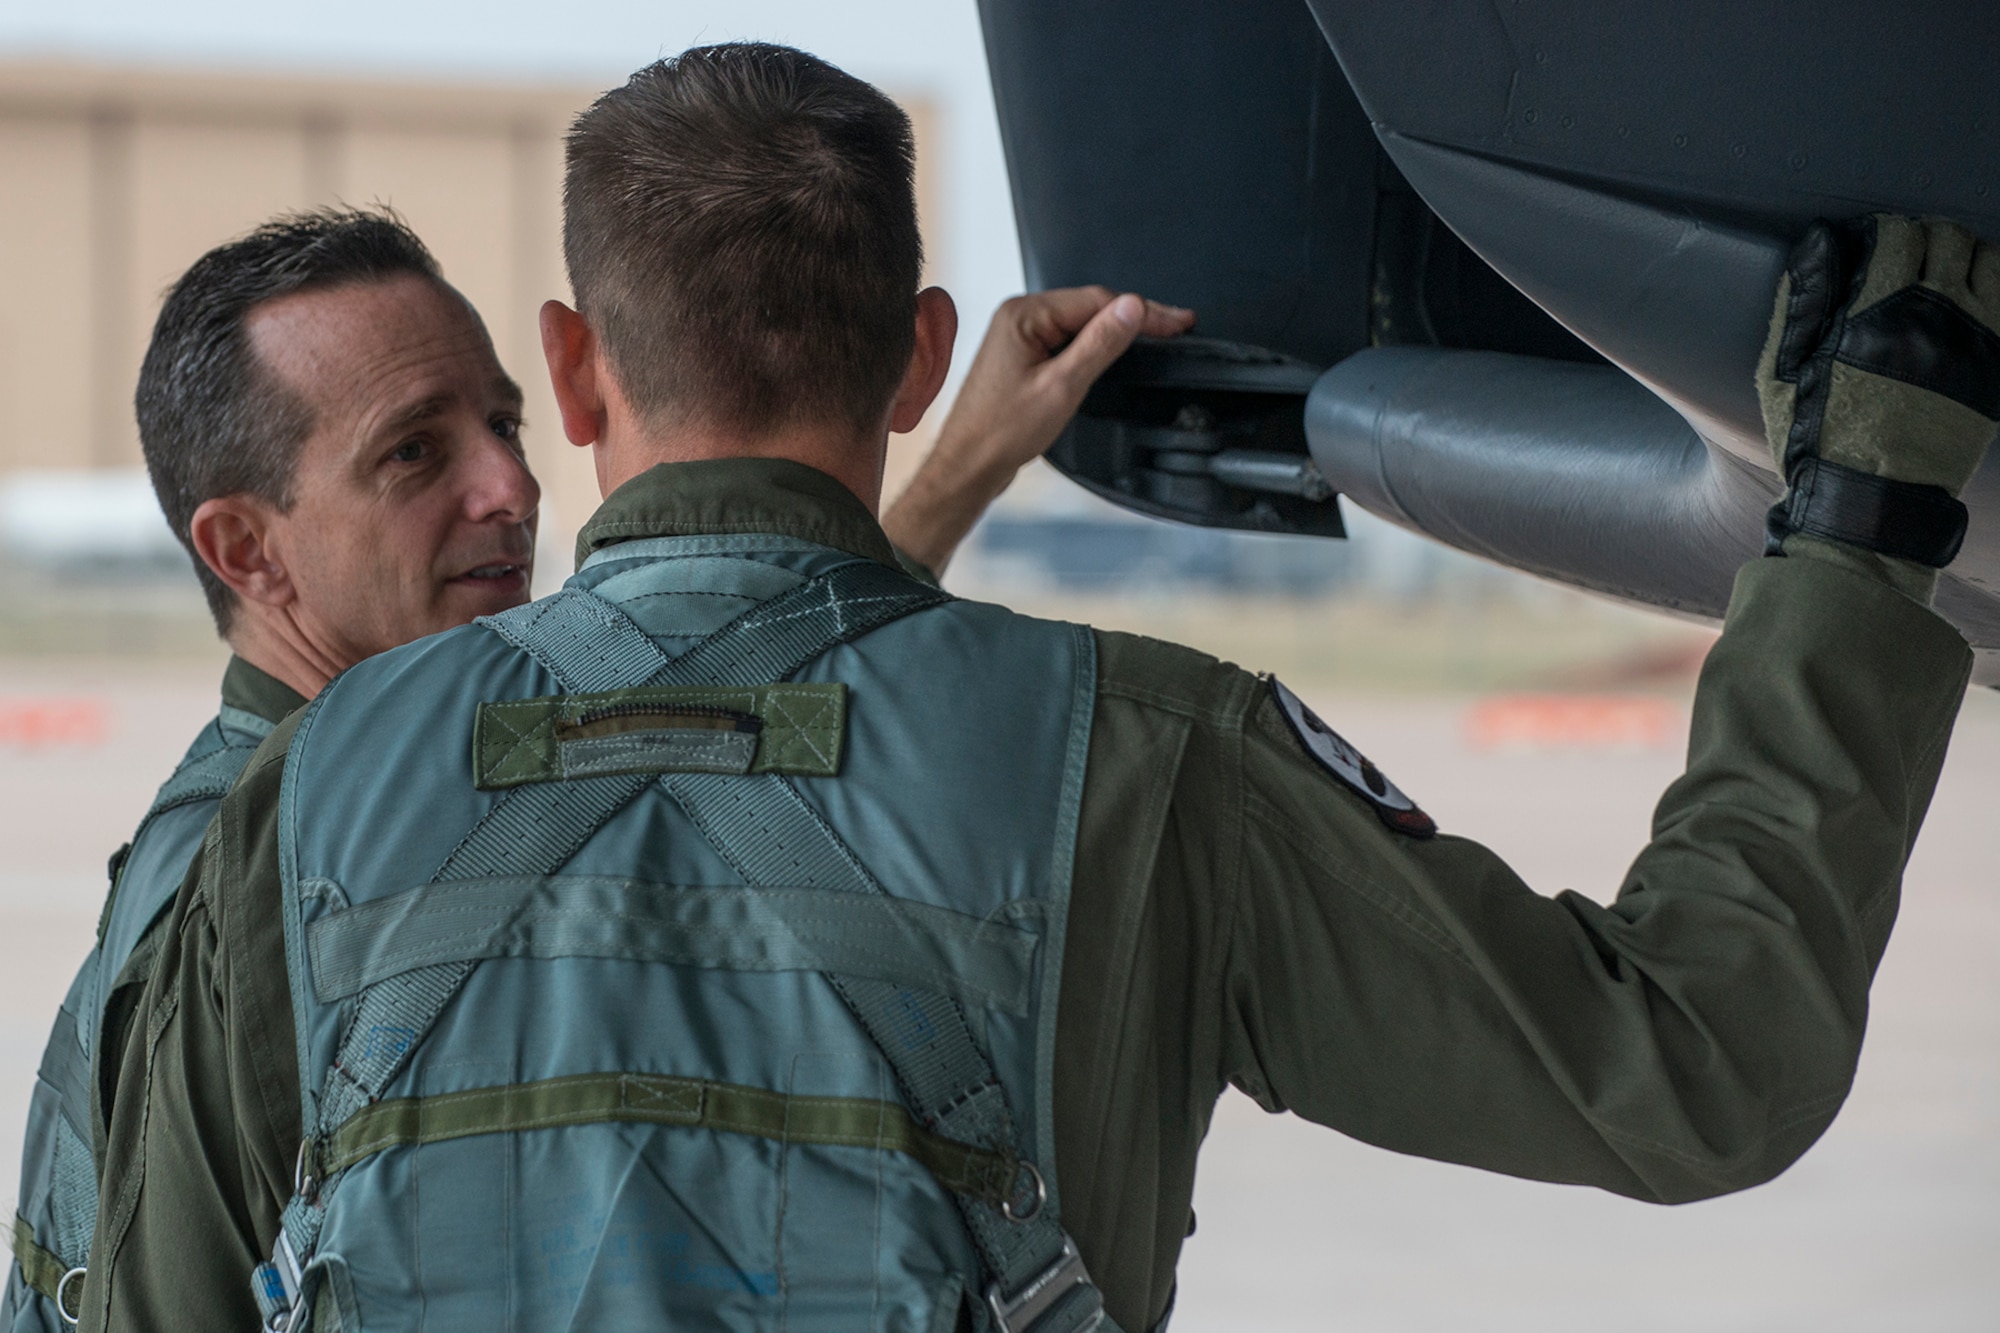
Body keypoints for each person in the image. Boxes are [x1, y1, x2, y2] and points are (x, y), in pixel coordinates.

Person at [79, 43, 1994, 1333]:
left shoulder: (302, 805)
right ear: (919, 354)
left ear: (575, 377)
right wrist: (1855, 524)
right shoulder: (1147, 761)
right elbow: (1690, 1067)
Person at [1, 206, 1185, 1330]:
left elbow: (701, 717)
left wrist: (961, 456)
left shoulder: (396, 798)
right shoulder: (232, 884)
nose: (510, 488)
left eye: (504, 424)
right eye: (414, 453)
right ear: (246, 550)